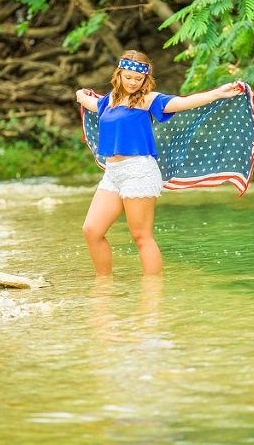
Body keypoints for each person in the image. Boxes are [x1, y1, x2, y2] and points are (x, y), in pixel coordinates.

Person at [75, 50, 244, 276]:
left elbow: (183, 102)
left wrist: (217, 93)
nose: (133, 83)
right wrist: (80, 94)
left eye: (138, 79)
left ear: (145, 78)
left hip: (139, 172)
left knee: (141, 236)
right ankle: (104, 287)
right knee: (92, 230)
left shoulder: (147, 100)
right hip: (113, 174)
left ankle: (153, 296)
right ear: (119, 75)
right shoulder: (109, 101)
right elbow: (90, 102)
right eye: (128, 77)